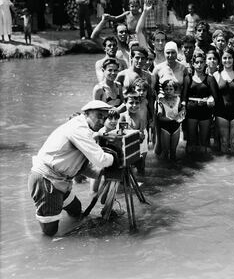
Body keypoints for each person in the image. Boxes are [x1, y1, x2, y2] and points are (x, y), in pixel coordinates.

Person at [28, 100, 115, 236]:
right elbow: (101, 159)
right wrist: (116, 158)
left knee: (76, 209)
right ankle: (49, 248)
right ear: (86, 114)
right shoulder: (79, 129)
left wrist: (103, 172)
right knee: (50, 232)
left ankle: (70, 230)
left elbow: (83, 167)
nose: (102, 121)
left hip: (60, 180)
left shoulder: (85, 130)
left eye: (104, 117)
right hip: (47, 180)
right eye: (99, 115)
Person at [183, 51, 219, 153]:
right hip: (191, 113)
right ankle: (191, 163)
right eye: (197, 62)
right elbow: (184, 97)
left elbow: (216, 97)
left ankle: (206, 164)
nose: (199, 65)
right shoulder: (188, 79)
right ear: (193, 64)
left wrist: (211, 98)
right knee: (191, 142)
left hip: (205, 113)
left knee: (205, 142)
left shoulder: (210, 79)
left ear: (205, 64)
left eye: (201, 62)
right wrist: (183, 108)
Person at [119, 83, 149, 175]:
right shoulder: (123, 116)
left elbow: (142, 134)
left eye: (137, 103)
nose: (134, 105)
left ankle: (142, 178)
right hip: (128, 140)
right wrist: (137, 134)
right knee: (127, 165)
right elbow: (121, 132)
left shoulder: (140, 117)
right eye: (131, 103)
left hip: (140, 138)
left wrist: (140, 135)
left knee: (141, 163)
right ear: (125, 103)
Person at [157, 76, 185, 160]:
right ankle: (165, 171)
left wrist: (182, 112)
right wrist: (173, 119)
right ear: (163, 90)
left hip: (176, 127)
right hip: (165, 128)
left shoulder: (178, 99)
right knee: (165, 152)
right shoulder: (161, 101)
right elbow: (160, 117)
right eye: (166, 89)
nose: (168, 91)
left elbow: (182, 110)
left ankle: (173, 168)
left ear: (174, 90)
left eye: (171, 89)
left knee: (173, 151)